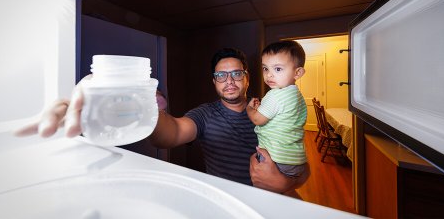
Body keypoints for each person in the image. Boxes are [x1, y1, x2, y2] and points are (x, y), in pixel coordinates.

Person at [16, 48, 309, 194]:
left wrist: (285, 181)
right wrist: (141, 104)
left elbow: (303, 166)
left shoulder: (274, 108)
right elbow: (169, 135)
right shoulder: (205, 114)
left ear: (247, 77)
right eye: (221, 75)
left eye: (236, 73)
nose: (229, 81)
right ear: (213, 81)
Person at [246, 41, 307, 179]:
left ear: (297, 73)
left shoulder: (275, 95)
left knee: (266, 192)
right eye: (265, 68)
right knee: (284, 193)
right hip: (296, 159)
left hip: (277, 157)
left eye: (278, 69)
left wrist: (250, 109)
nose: (269, 75)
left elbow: (257, 120)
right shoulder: (297, 95)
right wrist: (262, 108)